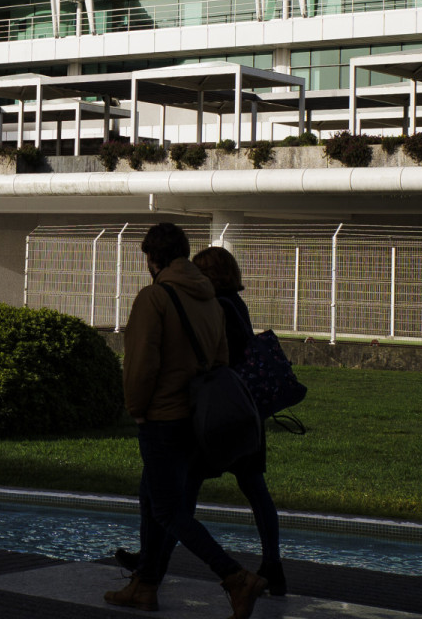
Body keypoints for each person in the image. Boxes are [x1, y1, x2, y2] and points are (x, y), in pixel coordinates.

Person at [105, 223, 268, 615]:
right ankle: (144, 586)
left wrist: (137, 410)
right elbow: (221, 360)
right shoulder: (209, 298)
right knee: (153, 500)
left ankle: (234, 576)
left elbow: (141, 365)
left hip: (161, 417)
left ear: (152, 258)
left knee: (166, 511)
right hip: (194, 420)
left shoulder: (154, 297)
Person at [192, 245, 286, 597]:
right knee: (255, 488)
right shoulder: (237, 304)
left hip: (222, 409)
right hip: (245, 409)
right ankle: (273, 563)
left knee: (185, 488)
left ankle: (151, 562)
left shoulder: (217, 306)